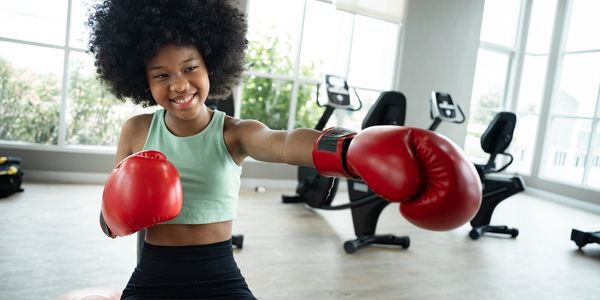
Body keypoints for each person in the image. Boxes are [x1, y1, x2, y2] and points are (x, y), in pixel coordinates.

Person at [88, 1, 482, 299]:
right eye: (162, 75)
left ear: (211, 67)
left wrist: (351, 149)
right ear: (142, 80)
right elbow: (109, 220)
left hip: (219, 271)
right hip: (155, 272)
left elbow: (282, 142)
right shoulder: (137, 130)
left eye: (190, 68)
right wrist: (118, 216)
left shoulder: (233, 133)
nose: (179, 85)